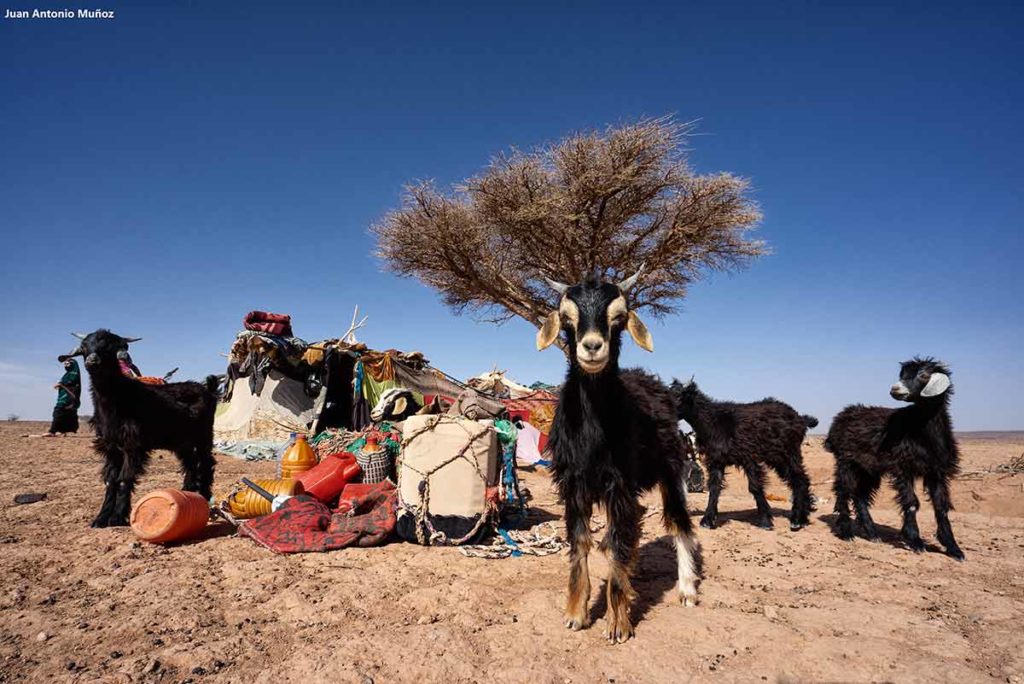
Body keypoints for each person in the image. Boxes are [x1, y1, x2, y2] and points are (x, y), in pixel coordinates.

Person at [48, 357, 81, 436]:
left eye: (67, 363)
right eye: (65, 364)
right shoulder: (67, 374)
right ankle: (63, 431)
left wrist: (61, 385)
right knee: (66, 413)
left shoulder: (74, 373)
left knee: (58, 411)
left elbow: (70, 383)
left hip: (68, 397)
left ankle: (52, 431)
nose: (66, 365)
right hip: (64, 396)